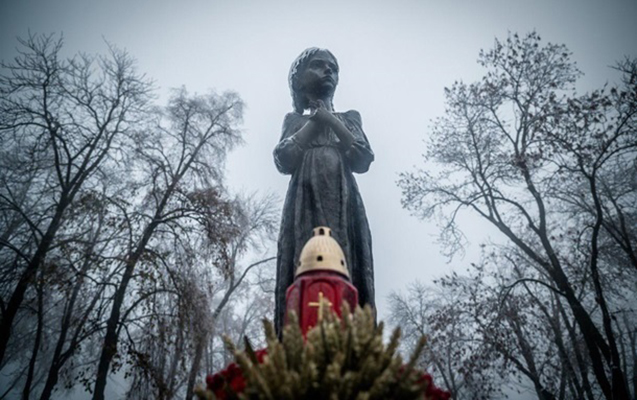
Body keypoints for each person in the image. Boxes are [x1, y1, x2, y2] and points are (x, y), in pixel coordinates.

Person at [273, 48, 375, 333]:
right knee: (303, 257)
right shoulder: (294, 122)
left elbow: (363, 158)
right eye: (318, 65)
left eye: (333, 67)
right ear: (299, 81)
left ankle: (350, 332)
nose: (328, 70)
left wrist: (329, 119)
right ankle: (300, 333)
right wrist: (315, 120)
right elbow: (284, 157)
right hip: (303, 200)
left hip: (344, 199)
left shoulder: (351, 118)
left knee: (348, 257)